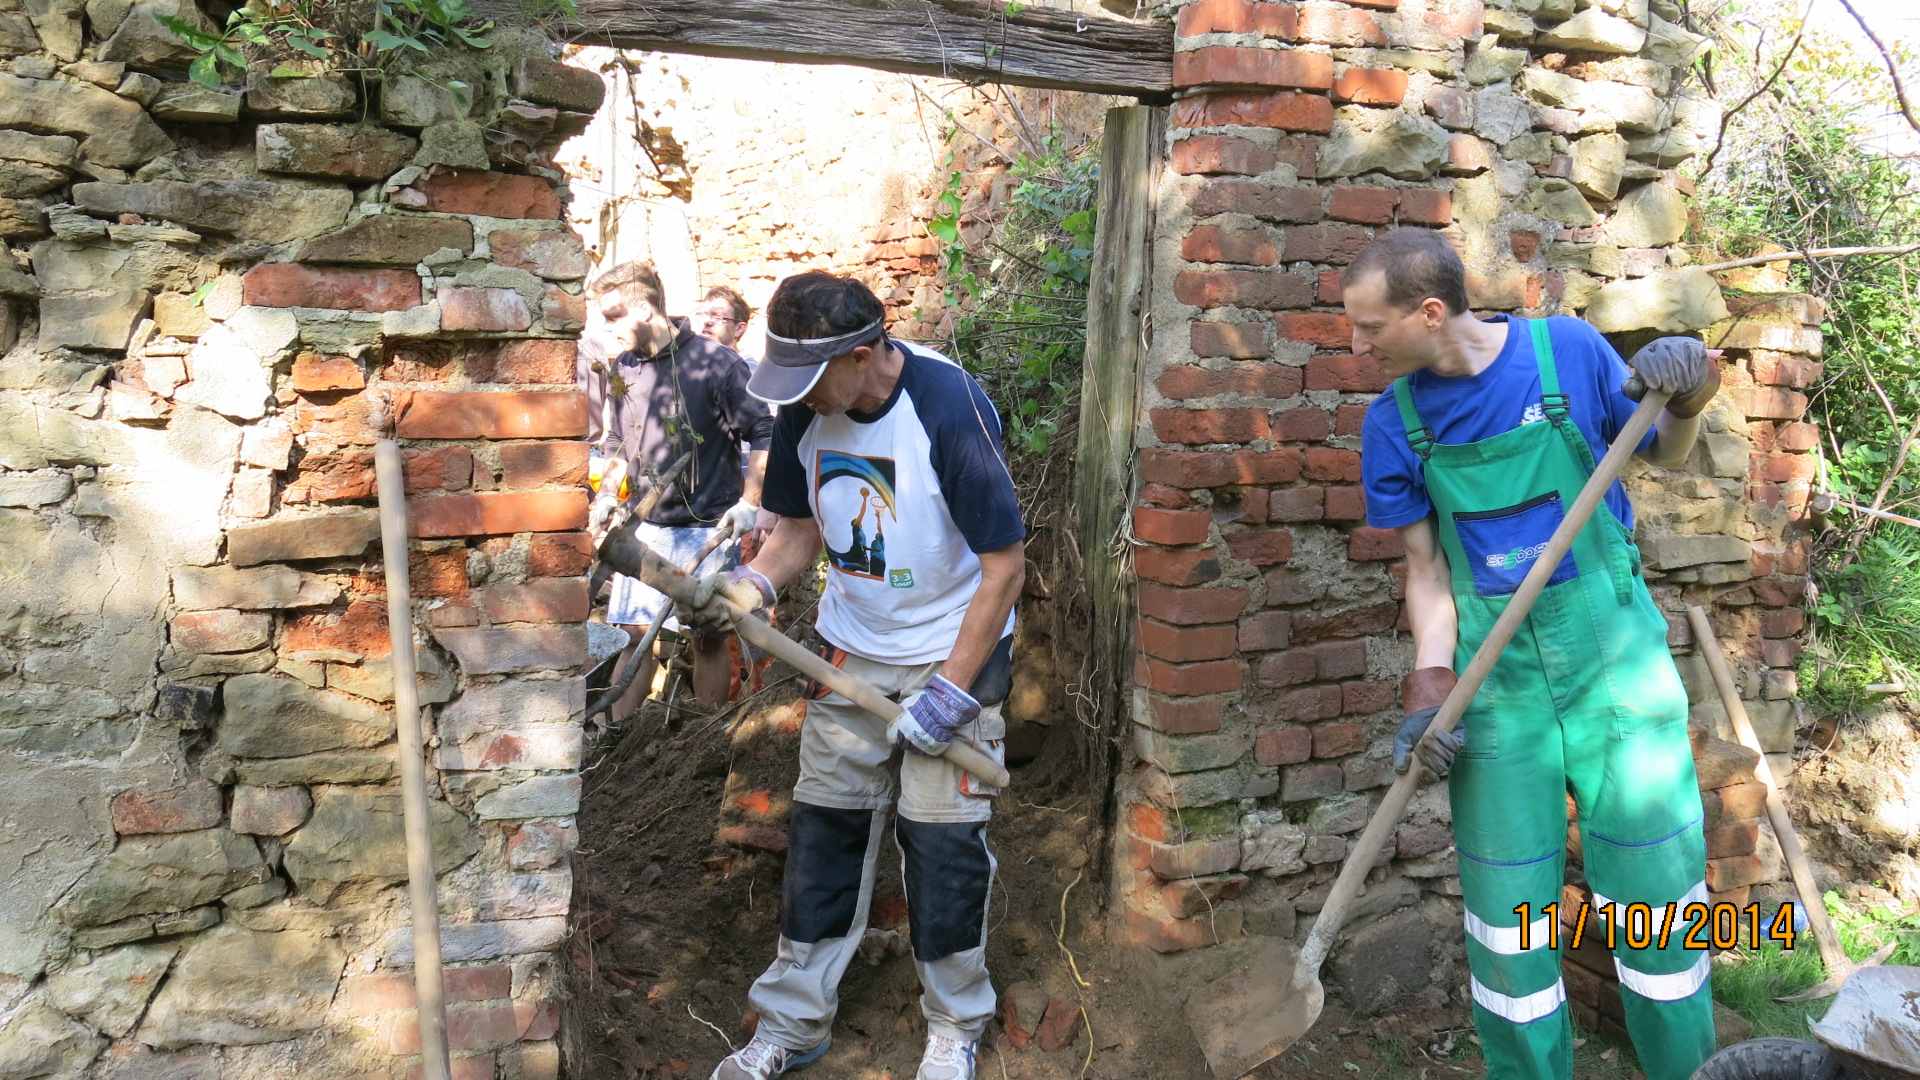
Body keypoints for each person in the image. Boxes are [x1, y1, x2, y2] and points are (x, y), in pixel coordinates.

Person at [1351, 229, 1721, 1080]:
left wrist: (1688, 397)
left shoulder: (1567, 352)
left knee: (1658, 896)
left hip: (1615, 667)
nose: (1359, 345)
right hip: (1496, 689)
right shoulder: (1395, 423)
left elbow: (1664, 449)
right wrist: (1430, 689)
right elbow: (1427, 572)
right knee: (1507, 918)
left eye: (1370, 327)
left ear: (1430, 312)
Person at [685, 270, 1025, 1080]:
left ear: (865, 355)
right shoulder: (806, 409)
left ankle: (954, 1024)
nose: (798, 398)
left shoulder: (947, 407)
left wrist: (951, 692)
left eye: (811, 379)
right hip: (850, 655)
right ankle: (792, 1022)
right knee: (824, 839)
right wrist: (754, 585)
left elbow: (1004, 567)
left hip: (953, 648)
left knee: (943, 846)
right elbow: (800, 530)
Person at [577, 260, 774, 708]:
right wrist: (607, 494)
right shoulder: (624, 367)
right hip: (646, 527)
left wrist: (750, 502)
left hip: (707, 526)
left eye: (614, 316)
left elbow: (764, 431)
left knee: (706, 635)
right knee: (634, 634)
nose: (608, 329)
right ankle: (620, 738)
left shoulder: (715, 363)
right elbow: (616, 442)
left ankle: (702, 736)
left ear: (646, 310)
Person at [694, 284, 752, 352]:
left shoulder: (742, 359)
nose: (707, 321)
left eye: (717, 316)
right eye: (702, 315)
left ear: (739, 329)